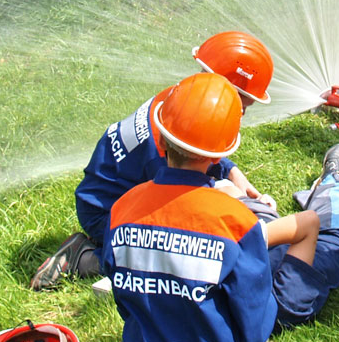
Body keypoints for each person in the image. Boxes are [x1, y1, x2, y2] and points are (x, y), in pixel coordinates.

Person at [81, 77, 339, 342]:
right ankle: (335, 184)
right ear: (218, 157)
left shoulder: (121, 209)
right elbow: (253, 317)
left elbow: (122, 291)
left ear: (162, 139)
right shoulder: (233, 221)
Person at [30, 31, 273, 288]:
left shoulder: (181, 101)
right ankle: (83, 258)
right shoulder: (159, 154)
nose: (242, 116)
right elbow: (186, 204)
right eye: (243, 108)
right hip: (105, 211)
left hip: (113, 194)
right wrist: (237, 208)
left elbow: (198, 149)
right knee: (179, 252)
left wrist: (232, 173)